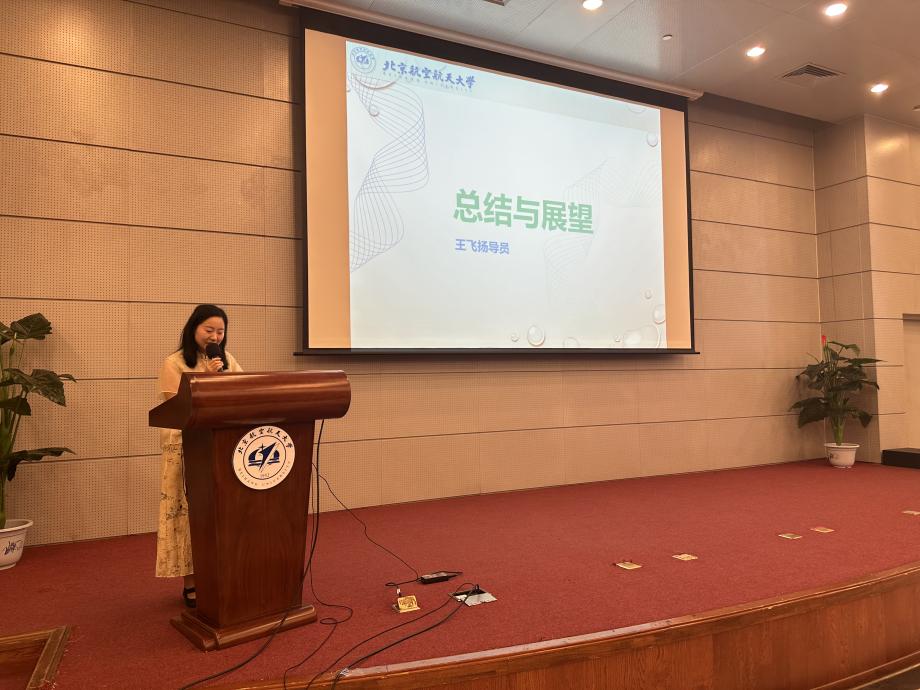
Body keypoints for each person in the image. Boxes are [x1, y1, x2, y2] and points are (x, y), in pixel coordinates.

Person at [155, 304, 242, 608]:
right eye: (209, 330)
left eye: (220, 331)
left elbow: (243, 392)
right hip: (186, 449)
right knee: (189, 516)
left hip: (222, 445)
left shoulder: (227, 360)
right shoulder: (175, 363)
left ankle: (223, 574)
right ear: (194, 329)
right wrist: (205, 377)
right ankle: (191, 582)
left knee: (221, 512)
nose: (215, 336)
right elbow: (175, 407)